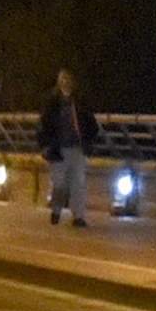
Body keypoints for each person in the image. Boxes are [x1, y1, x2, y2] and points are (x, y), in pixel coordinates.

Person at [38, 71, 92, 228]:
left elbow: (90, 122)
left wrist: (88, 140)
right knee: (59, 184)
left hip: (77, 148)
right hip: (58, 148)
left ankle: (78, 216)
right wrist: (45, 145)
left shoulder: (79, 100)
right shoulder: (52, 101)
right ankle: (56, 209)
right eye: (62, 79)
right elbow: (43, 124)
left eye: (68, 78)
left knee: (78, 183)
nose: (65, 82)